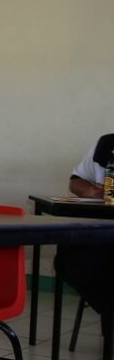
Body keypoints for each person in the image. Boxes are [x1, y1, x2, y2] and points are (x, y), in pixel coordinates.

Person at [54, 134, 114, 334]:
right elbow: (76, 181)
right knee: (68, 261)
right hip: (104, 232)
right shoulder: (107, 144)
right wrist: (91, 191)